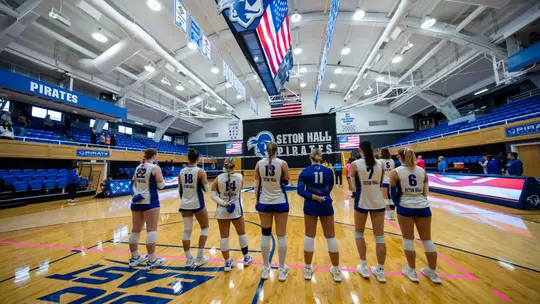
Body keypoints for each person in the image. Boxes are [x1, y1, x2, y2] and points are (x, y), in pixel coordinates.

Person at [390, 148, 441, 284]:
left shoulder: (395, 172)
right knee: (427, 240)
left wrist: (398, 204)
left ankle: (412, 270)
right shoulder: (422, 171)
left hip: (405, 206)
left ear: (400, 157)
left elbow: (393, 193)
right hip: (423, 206)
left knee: (408, 239)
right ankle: (433, 272)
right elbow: (426, 192)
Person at [297, 148, 341, 282]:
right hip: (326, 205)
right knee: (330, 236)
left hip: (310, 205)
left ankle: (307, 268)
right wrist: (322, 196)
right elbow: (331, 186)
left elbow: (300, 191)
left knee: (309, 236)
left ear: (310, 158)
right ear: (320, 158)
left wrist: (313, 196)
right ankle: (336, 270)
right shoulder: (328, 171)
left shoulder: (304, 172)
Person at [350, 141, 387, 282]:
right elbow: (380, 183)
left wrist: (354, 189)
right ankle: (380, 270)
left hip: (362, 201)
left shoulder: (355, 164)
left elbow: (353, 187)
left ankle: (364, 266)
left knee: (359, 233)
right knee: (380, 237)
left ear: (360, 150)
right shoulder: (381, 164)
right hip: (378, 201)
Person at [254, 142, 290, 281]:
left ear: (265, 150)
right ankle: (281, 269)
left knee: (265, 235)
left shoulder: (259, 164)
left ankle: (265, 268)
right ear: (277, 150)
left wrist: (257, 201)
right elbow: (287, 180)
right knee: (281, 236)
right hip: (280, 202)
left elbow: (256, 185)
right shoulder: (283, 163)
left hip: (264, 203)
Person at [211, 158, 253, 271]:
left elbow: (213, 196)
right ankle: (246, 257)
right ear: (234, 166)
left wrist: (224, 203)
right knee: (242, 233)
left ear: (224, 166)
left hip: (222, 210)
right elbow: (238, 191)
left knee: (224, 237)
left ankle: (227, 263)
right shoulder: (240, 177)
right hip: (236, 210)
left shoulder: (218, 178)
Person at [129, 148, 166, 270]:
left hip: (137, 201)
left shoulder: (138, 167)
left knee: (135, 230)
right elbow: (161, 185)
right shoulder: (155, 168)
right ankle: (152, 260)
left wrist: (137, 194)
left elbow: (132, 183)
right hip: (150, 201)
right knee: (151, 230)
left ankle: (134, 258)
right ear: (154, 155)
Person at [179, 148, 210, 267]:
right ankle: (200, 257)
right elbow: (207, 189)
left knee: (187, 231)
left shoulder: (181, 172)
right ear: (198, 159)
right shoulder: (200, 171)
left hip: (184, 204)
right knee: (205, 228)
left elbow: (180, 190)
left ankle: (188, 259)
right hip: (197, 204)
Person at [380, 148, 396, 221]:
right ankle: (392, 214)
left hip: (384, 181)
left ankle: (388, 213)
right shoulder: (392, 161)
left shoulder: (380, 161)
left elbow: (381, 172)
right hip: (392, 180)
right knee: (392, 197)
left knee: (385, 197)